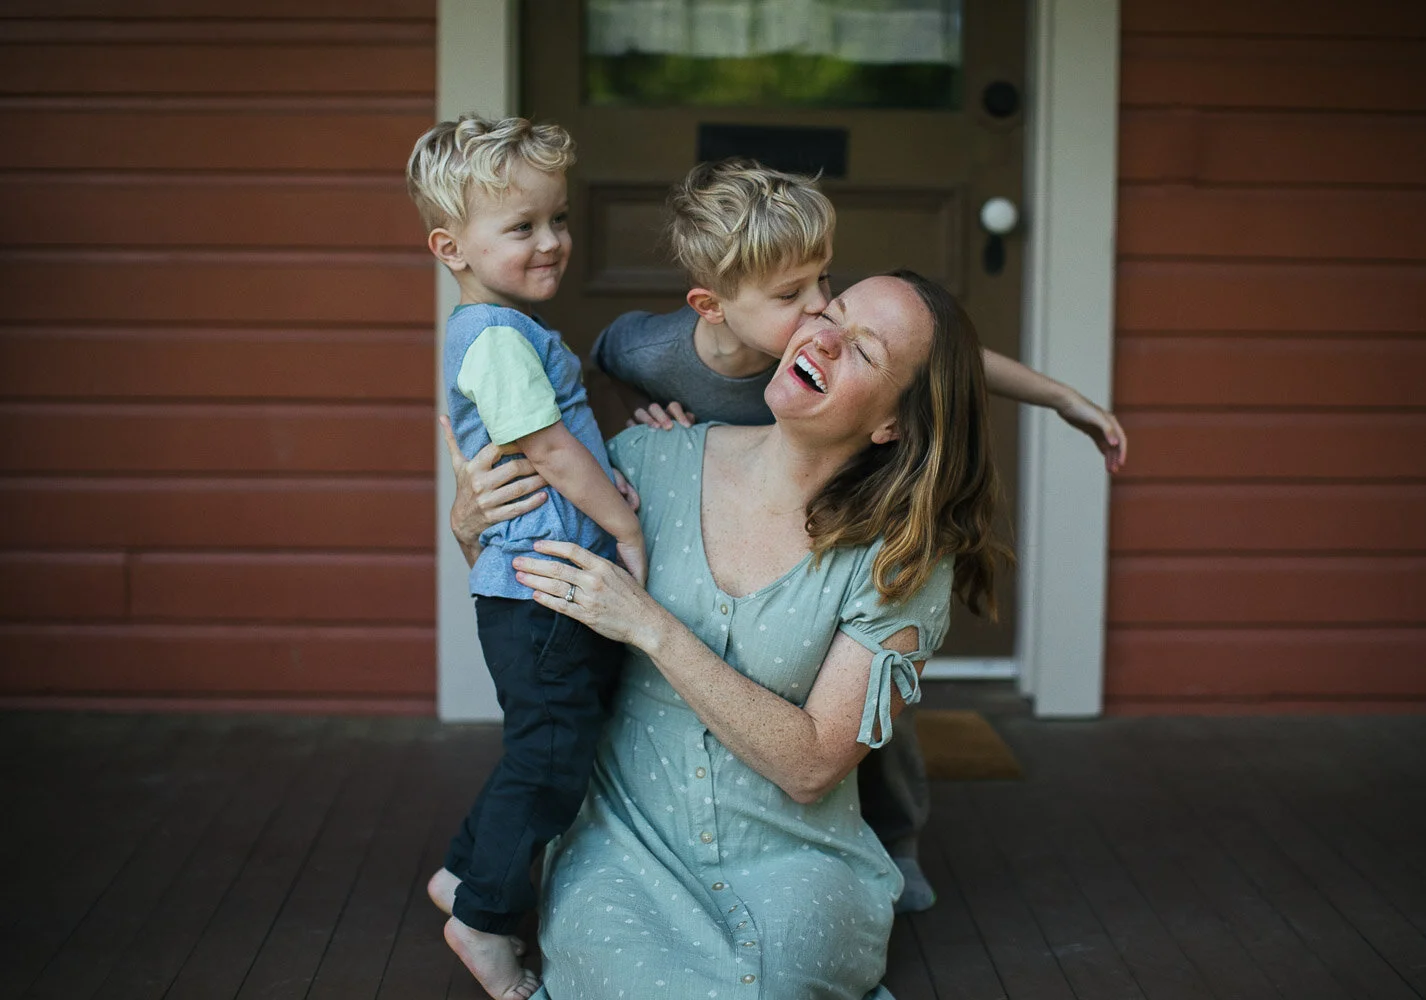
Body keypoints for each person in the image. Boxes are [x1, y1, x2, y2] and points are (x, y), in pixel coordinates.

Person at [458, 158, 1127, 914]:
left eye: (825, 285)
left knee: (871, 702)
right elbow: (595, 373)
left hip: (822, 513)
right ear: (710, 307)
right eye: (791, 296)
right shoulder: (655, 352)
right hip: (714, 501)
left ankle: (897, 836)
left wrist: (1061, 398)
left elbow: (946, 361)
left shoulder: (823, 336)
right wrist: (635, 416)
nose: (816, 313)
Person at [498, 270, 1001, 998]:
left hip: (798, 861)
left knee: (772, 984)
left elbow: (814, 764)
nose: (823, 339)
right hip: (624, 843)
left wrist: (651, 627)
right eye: (831, 313)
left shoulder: (901, 559)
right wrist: (471, 522)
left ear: (893, 424)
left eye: (864, 350)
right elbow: (523, 599)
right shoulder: (647, 461)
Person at [407, 114, 645, 1000]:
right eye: (522, 227)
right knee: (549, 759)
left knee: (545, 746)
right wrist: (623, 527)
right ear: (451, 247)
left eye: (558, 218)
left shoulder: (506, 327)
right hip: (539, 588)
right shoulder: (498, 338)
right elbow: (546, 448)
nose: (551, 242)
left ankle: (464, 874)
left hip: (544, 582)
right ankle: (484, 919)